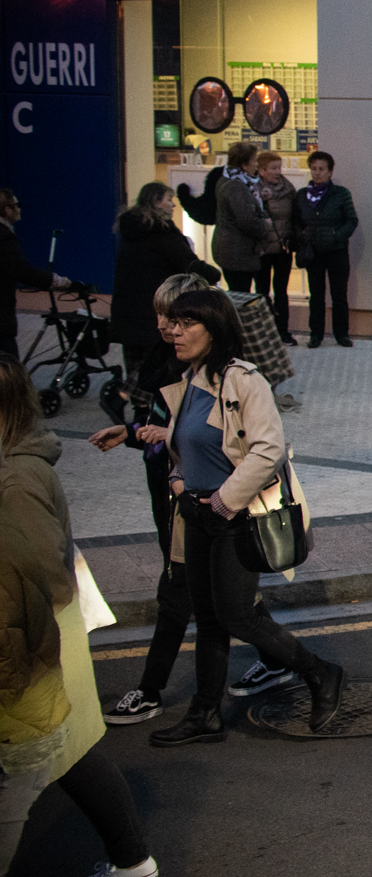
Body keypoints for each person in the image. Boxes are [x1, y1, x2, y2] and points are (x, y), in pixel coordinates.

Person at [0, 357, 142, 877]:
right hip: (28, 688)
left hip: (24, 690)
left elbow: (41, 582)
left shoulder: (16, 480)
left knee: (73, 749)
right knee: (77, 751)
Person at [143, 289, 346, 744]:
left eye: (186, 324)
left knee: (238, 616)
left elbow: (269, 449)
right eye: (174, 323)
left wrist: (223, 500)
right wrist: (178, 481)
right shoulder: (189, 380)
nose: (174, 332)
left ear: (214, 329)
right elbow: (185, 446)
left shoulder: (244, 381)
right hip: (196, 514)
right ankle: (204, 714)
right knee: (208, 618)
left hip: (233, 517)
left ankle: (321, 672)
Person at [90, 273, 213, 724]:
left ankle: (151, 690)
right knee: (225, 601)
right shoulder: (166, 360)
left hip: (192, 496)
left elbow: (211, 438)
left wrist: (168, 437)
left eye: (175, 318)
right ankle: (287, 664)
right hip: (165, 489)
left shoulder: (208, 372)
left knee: (178, 590)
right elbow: (159, 425)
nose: (164, 326)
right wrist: (129, 433)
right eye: (161, 315)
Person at [110, 184, 219, 371]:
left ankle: (133, 390)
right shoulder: (162, 232)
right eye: (169, 200)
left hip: (128, 312)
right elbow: (188, 263)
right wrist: (213, 274)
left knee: (136, 365)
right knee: (158, 368)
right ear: (156, 202)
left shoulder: (130, 231)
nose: (173, 205)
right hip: (154, 312)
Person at [294, 151, 357, 348]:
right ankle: (316, 334)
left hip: (336, 251)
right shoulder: (302, 195)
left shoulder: (341, 194)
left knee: (339, 295)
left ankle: (341, 334)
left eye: (321, 169)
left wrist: (336, 236)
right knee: (316, 295)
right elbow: (296, 221)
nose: (317, 173)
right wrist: (303, 237)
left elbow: (351, 220)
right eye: (314, 169)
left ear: (330, 172)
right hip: (313, 252)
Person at [0, 188, 70, 360]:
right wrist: (55, 281)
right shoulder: (4, 237)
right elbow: (21, 270)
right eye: (17, 205)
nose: (19, 209)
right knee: (9, 365)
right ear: (7, 209)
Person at [209, 142, 271, 294]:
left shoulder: (230, 180)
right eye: (254, 160)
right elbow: (248, 221)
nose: (256, 165)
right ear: (244, 164)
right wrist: (266, 225)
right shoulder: (236, 186)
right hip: (237, 253)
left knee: (238, 291)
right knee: (241, 294)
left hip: (232, 250)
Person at [253, 152, 298, 344]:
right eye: (273, 168)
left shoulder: (289, 189)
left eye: (279, 167)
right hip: (262, 250)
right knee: (262, 292)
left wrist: (293, 239)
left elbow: (295, 217)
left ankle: (282, 331)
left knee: (281, 292)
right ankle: (264, 332)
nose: (278, 171)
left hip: (283, 249)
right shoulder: (253, 190)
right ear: (261, 171)